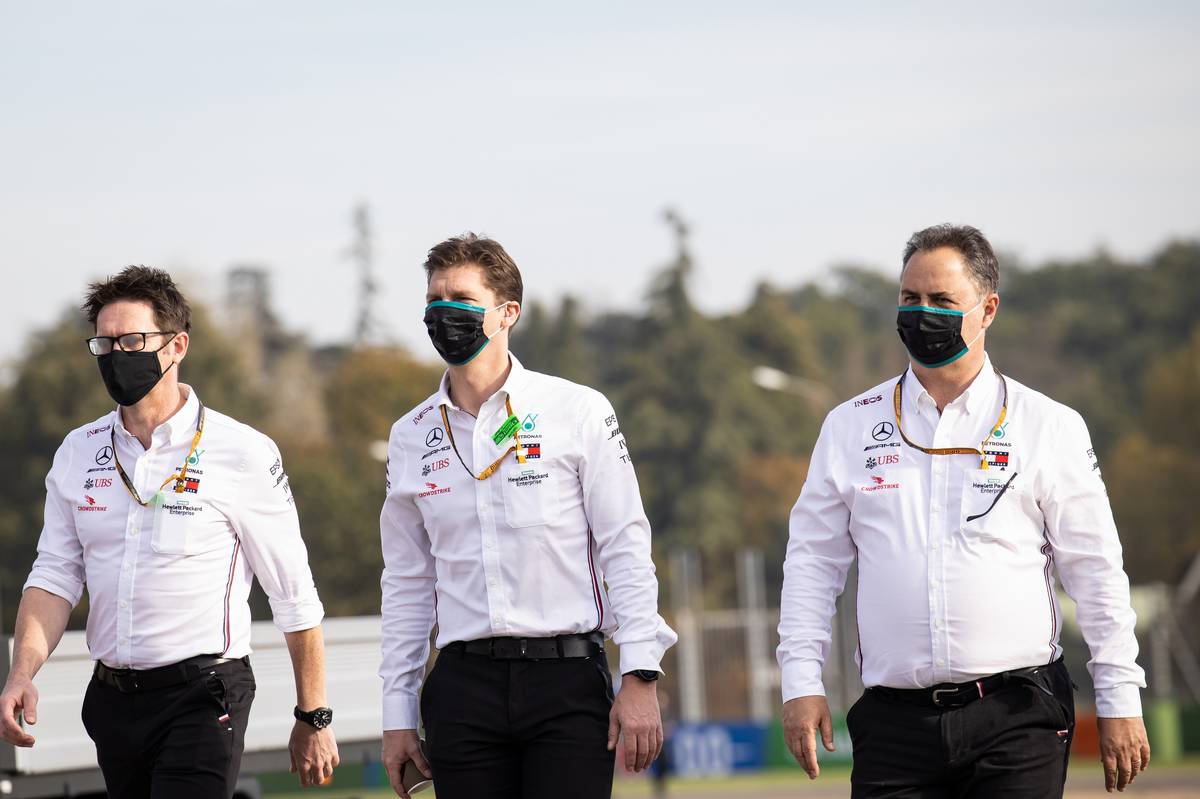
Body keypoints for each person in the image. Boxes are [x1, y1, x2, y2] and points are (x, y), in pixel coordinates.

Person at [777, 224, 1151, 797]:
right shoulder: (848, 425)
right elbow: (810, 566)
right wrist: (800, 682)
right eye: (910, 299)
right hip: (894, 725)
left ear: (988, 309)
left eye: (942, 302)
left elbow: (1096, 572)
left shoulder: (1048, 425)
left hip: (1017, 716)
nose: (922, 314)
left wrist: (1120, 699)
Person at [0, 266, 339, 797]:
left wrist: (313, 715)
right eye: (105, 343)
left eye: (132, 340)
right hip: (112, 701)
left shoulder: (243, 451)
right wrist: (21, 674)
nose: (117, 355)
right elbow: (55, 577)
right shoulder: (76, 451)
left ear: (177, 346)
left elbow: (293, 592)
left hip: (204, 696)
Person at [378, 233, 677, 799]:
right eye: (433, 301)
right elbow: (406, 582)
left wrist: (640, 674)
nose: (444, 314)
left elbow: (625, 543)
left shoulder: (577, 410)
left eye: (461, 299)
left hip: (565, 682)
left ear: (506, 312)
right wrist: (396, 712)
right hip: (463, 688)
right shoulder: (410, 435)